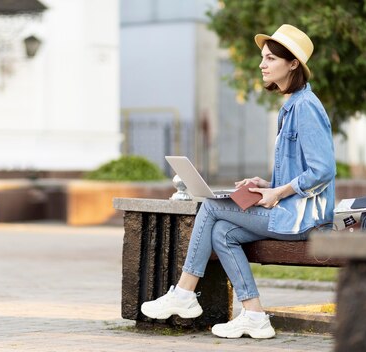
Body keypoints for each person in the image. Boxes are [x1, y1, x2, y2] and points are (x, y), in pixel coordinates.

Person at [140, 24, 336, 339]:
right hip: (291, 212)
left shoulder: (305, 107)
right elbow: (303, 170)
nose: (262, 64)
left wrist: (278, 192)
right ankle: (255, 314)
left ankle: (185, 294)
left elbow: (323, 170)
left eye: (270, 58)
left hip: (303, 219)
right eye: (263, 58)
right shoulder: (292, 106)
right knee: (222, 232)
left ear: (293, 63)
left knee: (212, 207)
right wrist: (267, 183)